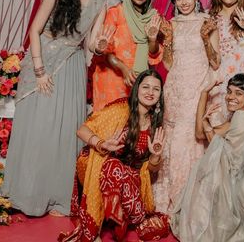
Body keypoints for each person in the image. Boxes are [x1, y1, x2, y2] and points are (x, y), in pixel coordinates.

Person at [1, 0, 106, 217]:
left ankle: (57, 196)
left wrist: (101, 45)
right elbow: (34, 30)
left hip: (72, 66)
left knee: (64, 131)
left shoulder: (99, 3)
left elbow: (92, 43)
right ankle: (26, 194)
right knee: (39, 128)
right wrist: (39, 70)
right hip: (44, 63)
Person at [171, 74, 244, 242]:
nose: (231, 97)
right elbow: (201, 134)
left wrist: (209, 129)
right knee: (211, 169)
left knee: (209, 172)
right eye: (229, 92)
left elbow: (227, 158)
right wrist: (204, 94)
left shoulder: (242, 118)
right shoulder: (242, 115)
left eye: (238, 93)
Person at [59, 69, 169, 242]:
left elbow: (151, 169)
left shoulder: (156, 123)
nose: (150, 92)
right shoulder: (120, 109)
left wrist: (155, 155)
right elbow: (82, 130)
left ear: (160, 95)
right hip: (101, 165)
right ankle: (101, 222)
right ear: (137, 89)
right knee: (114, 166)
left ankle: (119, 216)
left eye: (156, 89)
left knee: (144, 219)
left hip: (130, 177)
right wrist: (102, 144)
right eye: (146, 87)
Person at [151, 0, 210, 213]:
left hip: (197, 86)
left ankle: (190, 199)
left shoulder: (207, 22)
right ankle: (171, 196)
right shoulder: (171, 24)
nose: (184, 2)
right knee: (173, 138)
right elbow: (168, 63)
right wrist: (164, 40)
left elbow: (214, 60)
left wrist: (207, 87)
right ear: (174, 2)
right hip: (175, 86)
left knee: (192, 139)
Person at [91, 0, 161, 111]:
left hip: (138, 81)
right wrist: (123, 68)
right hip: (112, 80)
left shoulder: (151, 17)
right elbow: (106, 50)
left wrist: (152, 40)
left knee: (132, 127)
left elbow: (154, 55)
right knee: (109, 126)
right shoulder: (115, 13)